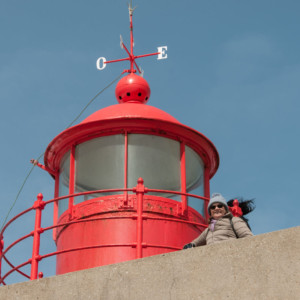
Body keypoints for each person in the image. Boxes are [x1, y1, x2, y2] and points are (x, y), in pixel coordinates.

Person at [183, 193, 253, 248]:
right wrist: (189, 246)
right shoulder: (209, 229)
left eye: (220, 206)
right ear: (210, 212)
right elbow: (195, 243)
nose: (216, 208)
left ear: (226, 209)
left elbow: (248, 237)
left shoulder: (234, 220)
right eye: (213, 207)